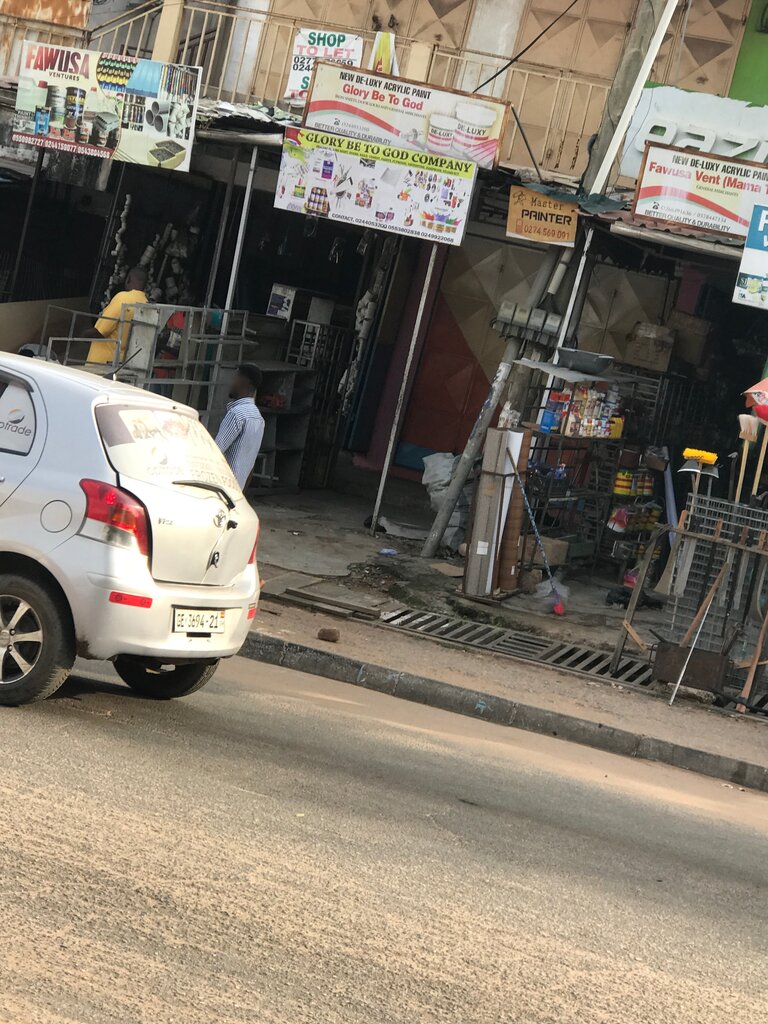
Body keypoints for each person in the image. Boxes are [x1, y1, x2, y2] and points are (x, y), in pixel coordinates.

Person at [82, 267, 148, 364]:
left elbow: (101, 331)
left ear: (128, 279)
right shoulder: (147, 305)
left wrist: (83, 335)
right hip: (121, 363)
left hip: (100, 363)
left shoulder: (123, 298)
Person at [215, 364, 265, 489]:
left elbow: (215, 452)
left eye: (235, 378)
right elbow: (250, 464)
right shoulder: (258, 418)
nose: (231, 383)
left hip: (223, 488)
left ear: (244, 381)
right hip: (237, 492)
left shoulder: (237, 414)